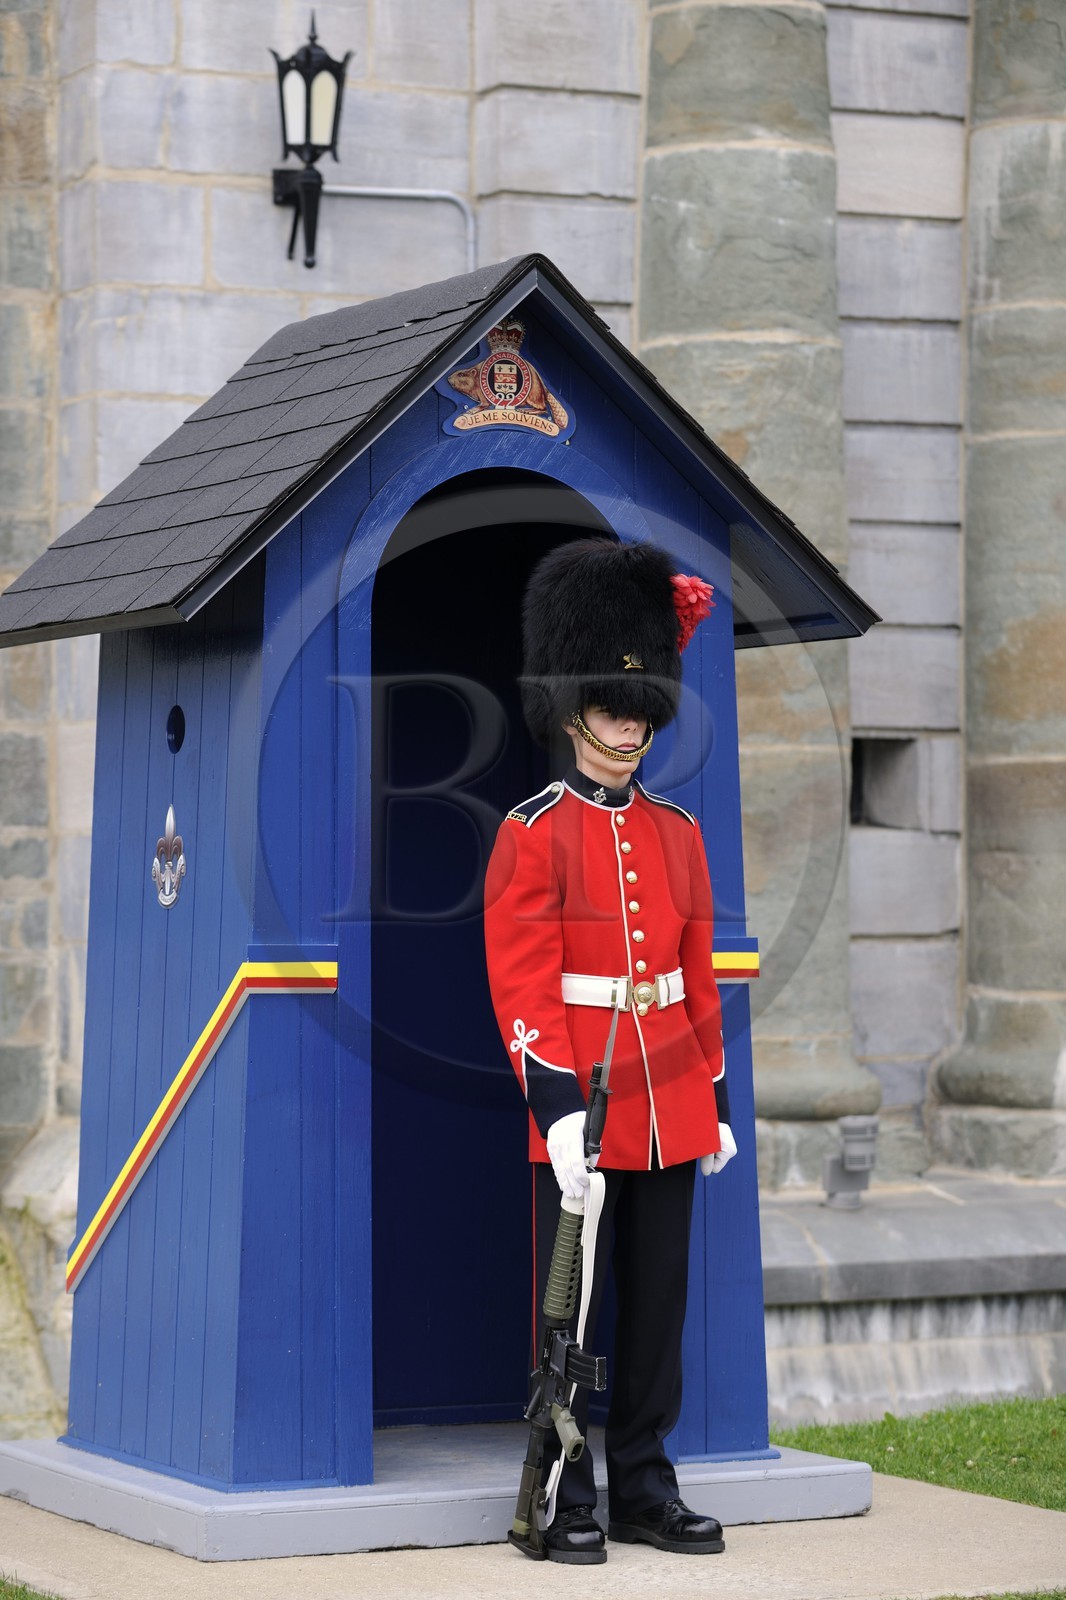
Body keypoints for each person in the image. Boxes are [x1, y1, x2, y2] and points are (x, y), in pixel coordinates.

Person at [483, 538, 736, 1564]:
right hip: (583, 1104)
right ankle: (565, 1487)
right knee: (572, 1315)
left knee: (658, 1306)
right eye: (609, 705)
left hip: (670, 1099)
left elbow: (693, 970)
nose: (626, 723)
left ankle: (642, 1483)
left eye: (638, 707)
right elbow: (523, 984)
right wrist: (558, 1110)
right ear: (573, 706)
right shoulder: (532, 830)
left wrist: (711, 1096)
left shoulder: (677, 831)